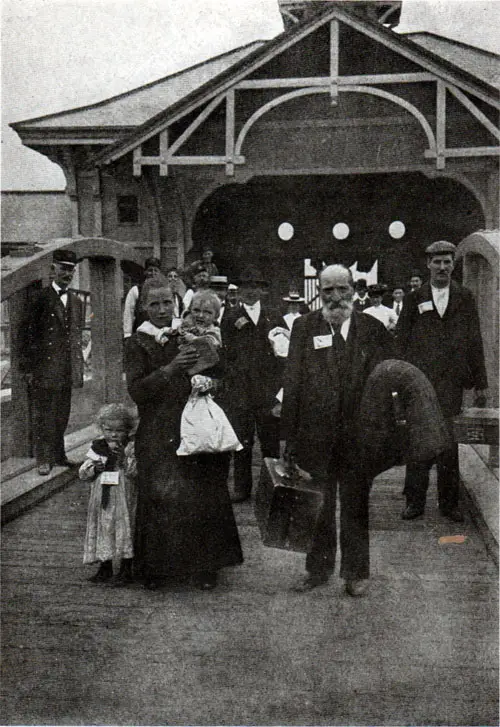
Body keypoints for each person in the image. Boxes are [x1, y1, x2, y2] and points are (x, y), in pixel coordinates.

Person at [281, 264, 392, 596]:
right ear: (319, 291)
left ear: (353, 291)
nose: (335, 297)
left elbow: (387, 382)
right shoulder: (304, 327)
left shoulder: (373, 329)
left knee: (355, 506)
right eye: (327, 290)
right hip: (316, 437)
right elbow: (292, 383)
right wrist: (288, 436)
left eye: (341, 289)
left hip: (360, 437)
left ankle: (356, 573)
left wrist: (382, 432)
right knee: (319, 507)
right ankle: (317, 569)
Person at [125, 278, 243, 590]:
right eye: (155, 304)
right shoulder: (137, 343)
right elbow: (137, 391)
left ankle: (206, 567)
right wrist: (173, 368)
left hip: (196, 426)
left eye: (168, 303)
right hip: (157, 429)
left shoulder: (189, 335)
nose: (162, 310)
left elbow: (228, 379)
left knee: (203, 493)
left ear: (176, 305)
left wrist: (213, 384)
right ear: (143, 308)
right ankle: (159, 568)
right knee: (160, 495)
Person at [396, 240, 488, 522]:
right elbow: (401, 341)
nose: (442, 267)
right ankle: (414, 501)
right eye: (437, 262)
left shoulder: (464, 297)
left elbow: (474, 340)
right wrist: (399, 381)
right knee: (419, 441)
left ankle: (449, 504)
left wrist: (481, 383)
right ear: (428, 264)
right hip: (418, 382)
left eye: (447, 262)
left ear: (453, 265)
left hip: (451, 383)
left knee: (448, 444)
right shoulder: (414, 299)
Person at [221, 266, 283, 503]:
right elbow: (226, 354)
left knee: (270, 442)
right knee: (242, 442)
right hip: (242, 390)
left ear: (262, 290)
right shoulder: (230, 317)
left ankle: (274, 487)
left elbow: (284, 351)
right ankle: (242, 488)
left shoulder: (274, 315)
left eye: (255, 287)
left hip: (268, 390)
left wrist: (279, 390)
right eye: (246, 287)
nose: (250, 292)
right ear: (240, 290)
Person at [20, 249, 84, 476]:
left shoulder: (76, 301)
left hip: (66, 367)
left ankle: (59, 455)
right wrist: (27, 368)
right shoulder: (39, 298)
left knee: (62, 413)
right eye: (64, 269)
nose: (68, 274)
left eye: (72, 270)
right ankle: (43, 459)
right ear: (52, 270)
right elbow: (26, 335)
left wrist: (78, 368)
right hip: (44, 367)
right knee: (43, 414)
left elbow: (75, 337)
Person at [79, 403, 137, 585]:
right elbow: (83, 473)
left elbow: (134, 472)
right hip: (103, 496)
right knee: (104, 527)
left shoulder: (130, 448)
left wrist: (123, 459)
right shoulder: (98, 447)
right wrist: (93, 468)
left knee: (124, 527)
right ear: (101, 428)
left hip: (123, 495)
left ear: (127, 430)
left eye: (119, 430)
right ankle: (105, 566)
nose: (113, 435)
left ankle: (127, 568)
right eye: (108, 430)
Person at [123, 257, 163, 338]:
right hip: (140, 333)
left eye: (156, 270)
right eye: (150, 270)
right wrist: (127, 334)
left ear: (159, 273)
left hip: (159, 334)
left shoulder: (163, 291)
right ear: (145, 272)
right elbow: (128, 313)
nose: (153, 273)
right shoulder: (136, 290)